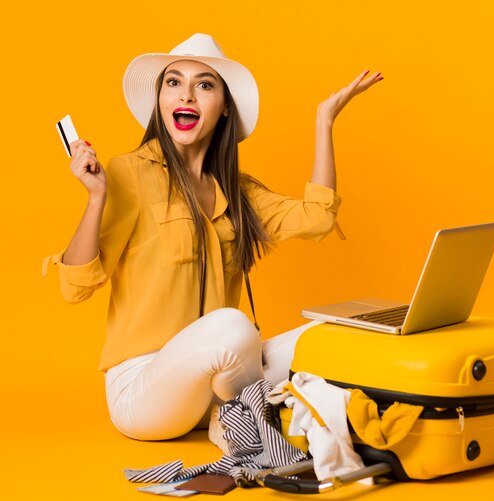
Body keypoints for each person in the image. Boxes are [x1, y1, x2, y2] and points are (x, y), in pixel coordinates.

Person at [45, 33, 383, 441]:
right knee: (233, 327)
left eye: (204, 85)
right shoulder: (129, 173)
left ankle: (236, 416)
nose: (185, 95)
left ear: (224, 109)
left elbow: (317, 218)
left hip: (215, 385)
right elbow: (75, 286)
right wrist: (96, 197)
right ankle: (250, 425)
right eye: (173, 82)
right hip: (145, 392)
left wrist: (324, 120)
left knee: (332, 334)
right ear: (160, 101)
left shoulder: (238, 192)